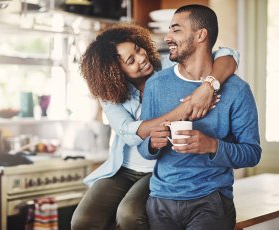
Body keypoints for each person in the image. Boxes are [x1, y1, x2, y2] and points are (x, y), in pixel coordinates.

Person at [71, 23, 239, 230]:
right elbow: (131, 132)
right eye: (131, 60)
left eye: (138, 49)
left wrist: (208, 86)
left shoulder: (172, 66)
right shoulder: (110, 94)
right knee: (82, 221)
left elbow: (228, 55)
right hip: (123, 168)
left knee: (129, 214)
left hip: (160, 167)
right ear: (114, 73)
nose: (142, 58)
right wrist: (187, 107)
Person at [138, 4, 261, 230]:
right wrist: (152, 145)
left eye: (176, 30)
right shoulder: (156, 84)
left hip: (211, 201)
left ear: (201, 34)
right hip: (161, 201)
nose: (167, 37)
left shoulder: (237, 90)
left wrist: (211, 145)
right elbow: (143, 148)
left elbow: (252, 154)